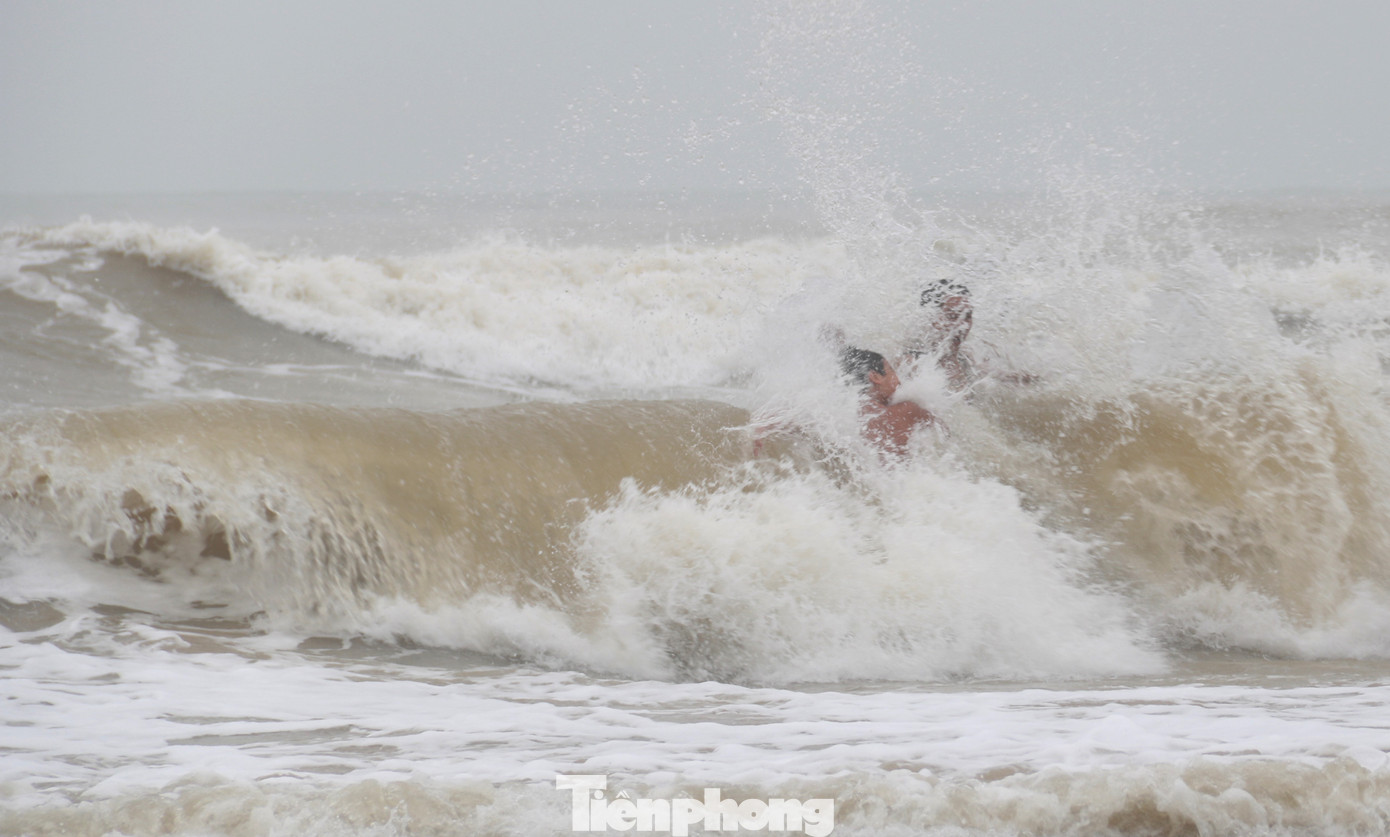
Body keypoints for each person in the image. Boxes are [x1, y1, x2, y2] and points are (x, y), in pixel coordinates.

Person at [839, 346, 936, 457]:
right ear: (876, 377)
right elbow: (943, 433)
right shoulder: (907, 410)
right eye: (892, 371)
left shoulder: (845, 416)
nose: (899, 380)